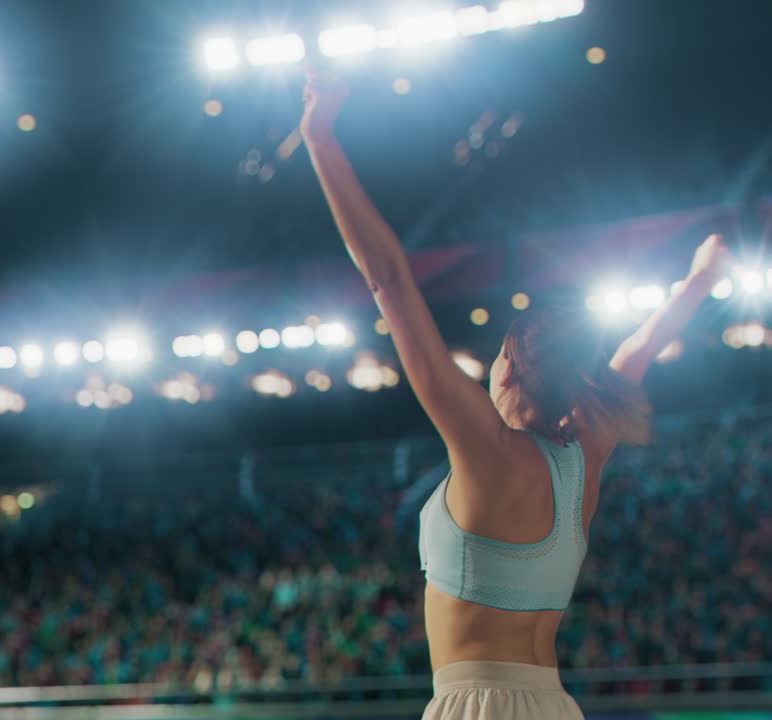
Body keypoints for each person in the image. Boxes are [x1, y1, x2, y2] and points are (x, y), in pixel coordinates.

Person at [300, 71, 731, 720]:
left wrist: (319, 136)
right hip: (552, 704)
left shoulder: (487, 449)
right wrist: (698, 283)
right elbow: (636, 353)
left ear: (508, 372)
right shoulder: (582, 458)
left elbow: (389, 279)